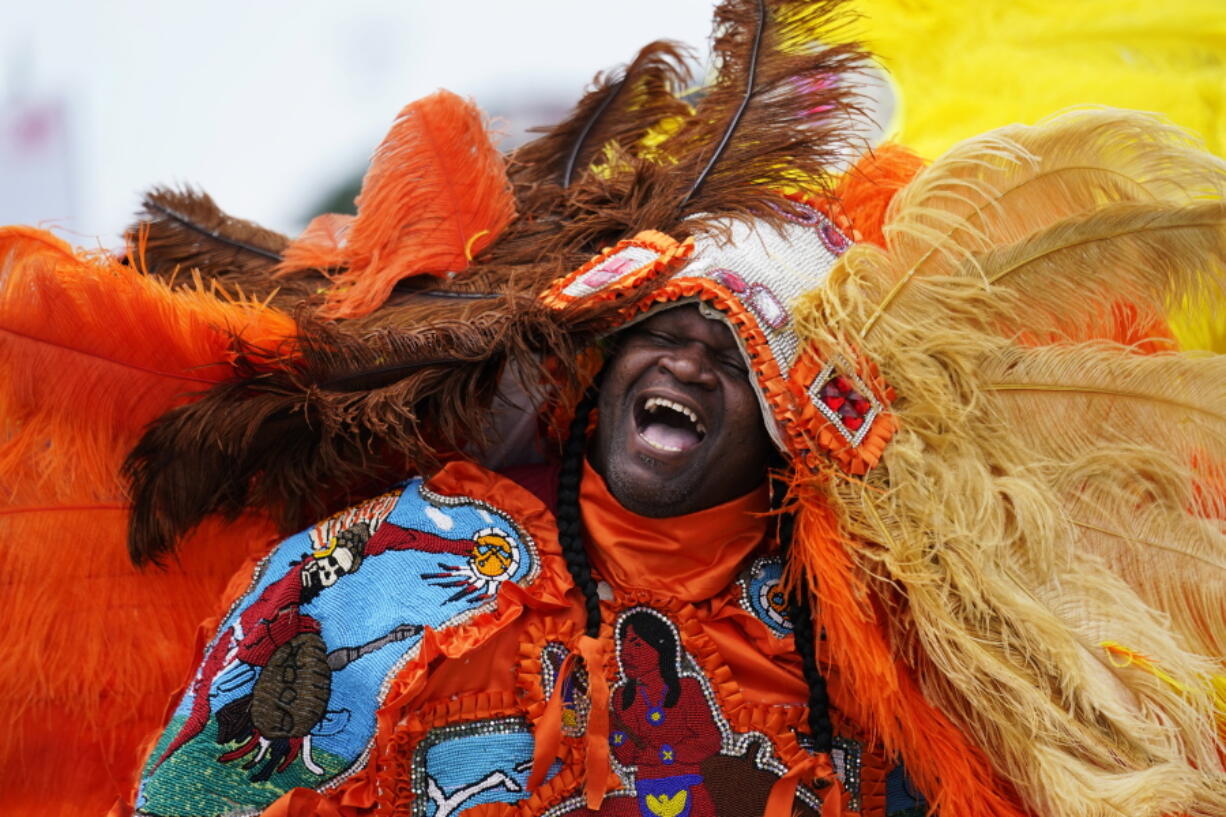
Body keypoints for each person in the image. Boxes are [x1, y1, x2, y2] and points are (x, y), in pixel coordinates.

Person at [2, 1, 1224, 816]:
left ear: (788, 420)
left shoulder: (865, 648)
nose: (688, 368)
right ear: (593, 376)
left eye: (732, 354)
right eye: (660, 334)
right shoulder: (379, 569)